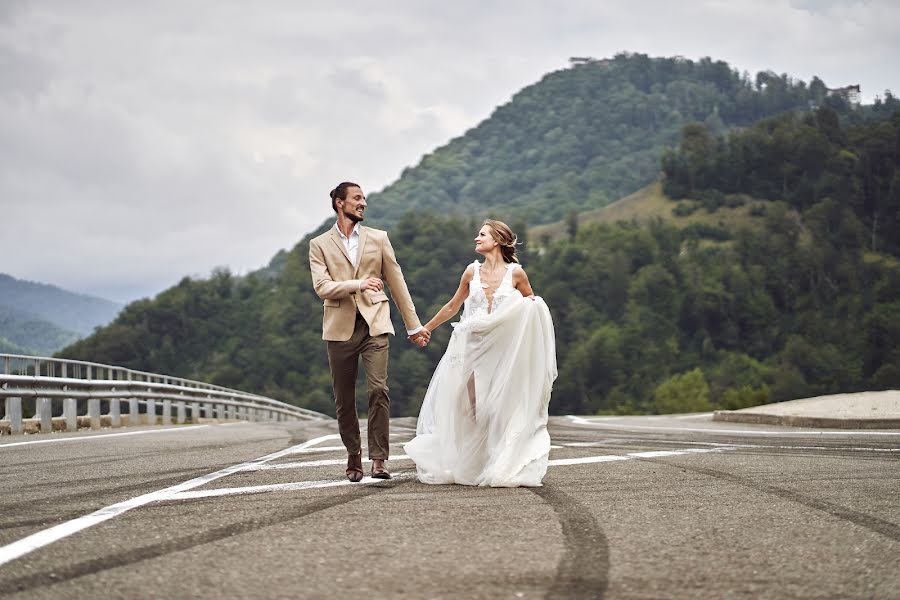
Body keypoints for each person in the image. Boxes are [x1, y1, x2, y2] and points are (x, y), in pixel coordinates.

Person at [404, 219, 557, 487]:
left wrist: (535, 307)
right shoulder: (470, 272)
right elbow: (453, 306)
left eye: (482, 234)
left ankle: (499, 460)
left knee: (499, 406)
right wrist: (425, 328)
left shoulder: (517, 274)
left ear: (496, 240)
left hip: (500, 351)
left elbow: (528, 311)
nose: (477, 238)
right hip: (470, 348)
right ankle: (473, 461)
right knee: (473, 408)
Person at [309, 182, 430, 482]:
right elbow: (322, 288)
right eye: (357, 198)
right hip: (339, 329)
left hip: (375, 323)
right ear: (340, 203)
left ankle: (379, 459)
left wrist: (413, 325)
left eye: (364, 198)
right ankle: (353, 453)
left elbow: (396, 282)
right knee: (344, 398)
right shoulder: (319, 245)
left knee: (378, 389)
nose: (363, 203)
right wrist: (358, 284)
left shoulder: (379, 238)